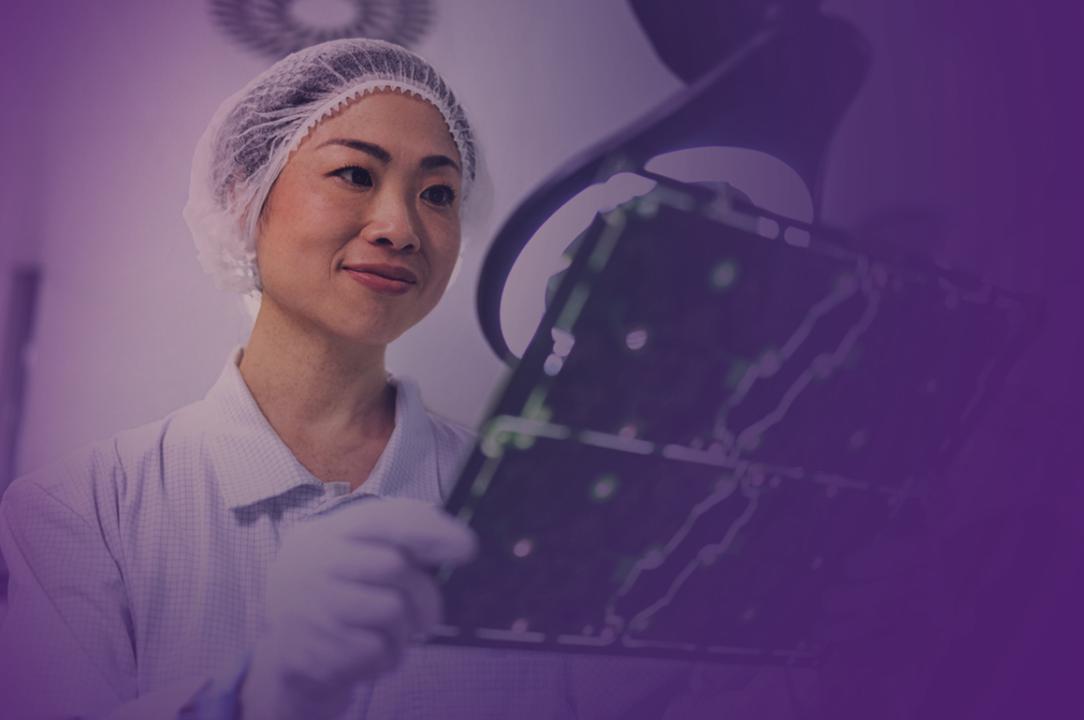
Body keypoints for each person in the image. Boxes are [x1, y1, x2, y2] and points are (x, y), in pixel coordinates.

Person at [0, 38, 707, 720]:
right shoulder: (81, 514)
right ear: (244, 199)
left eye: (438, 193)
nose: (401, 227)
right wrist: (257, 697)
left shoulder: (534, 514)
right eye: (355, 175)